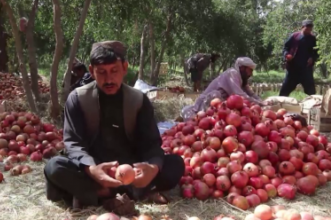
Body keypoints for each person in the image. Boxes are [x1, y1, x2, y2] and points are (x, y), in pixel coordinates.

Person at [44, 40, 184, 212]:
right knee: (54, 167)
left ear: (124, 68)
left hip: (130, 172)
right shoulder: (78, 99)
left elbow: (151, 144)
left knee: (175, 164)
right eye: (101, 72)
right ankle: (121, 192)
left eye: (114, 71)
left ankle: (102, 194)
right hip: (93, 172)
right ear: (91, 71)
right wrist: (92, 169)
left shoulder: (139, 100)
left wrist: (152, 168)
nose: (109, 79)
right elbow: (73, 143)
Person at [181, 57, 267, 121]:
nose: (251, 74)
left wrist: (261, 101)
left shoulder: (242, 78)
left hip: (220, 108)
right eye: (250, 70)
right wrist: (260, 104)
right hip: (207, 104)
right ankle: (203, 119)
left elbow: (250, 93)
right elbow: (240, 96)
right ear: (242, 68)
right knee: (216, 95)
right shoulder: (232, 74)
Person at [279, 19, 319, 96]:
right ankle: (280, 105)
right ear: (302, 27)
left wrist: (312, 58)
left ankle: (314, 106)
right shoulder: (294, 36)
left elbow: (316, 52)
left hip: (306, 69)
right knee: (284, 91)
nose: (308, 30)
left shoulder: (312, 38)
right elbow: (286, 47)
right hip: (293, 69)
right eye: (307, 28)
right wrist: (286, 55)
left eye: (310, 29)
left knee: (311, 93)